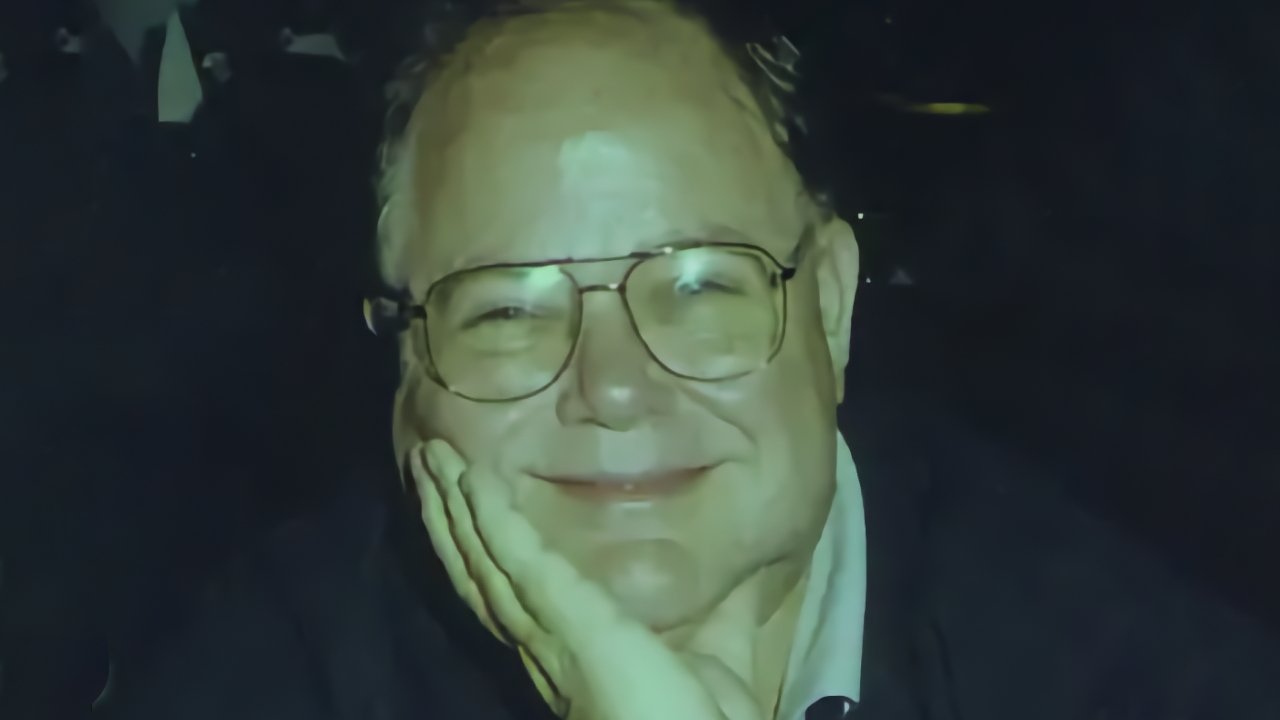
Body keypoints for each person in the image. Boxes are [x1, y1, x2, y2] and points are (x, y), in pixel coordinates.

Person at [107, 1, 1280, 719]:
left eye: (699, 287)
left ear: (827, 309)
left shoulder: (1130, 666)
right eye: (505, 313)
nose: (612, 387)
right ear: (402, 366)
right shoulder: (278, 664)